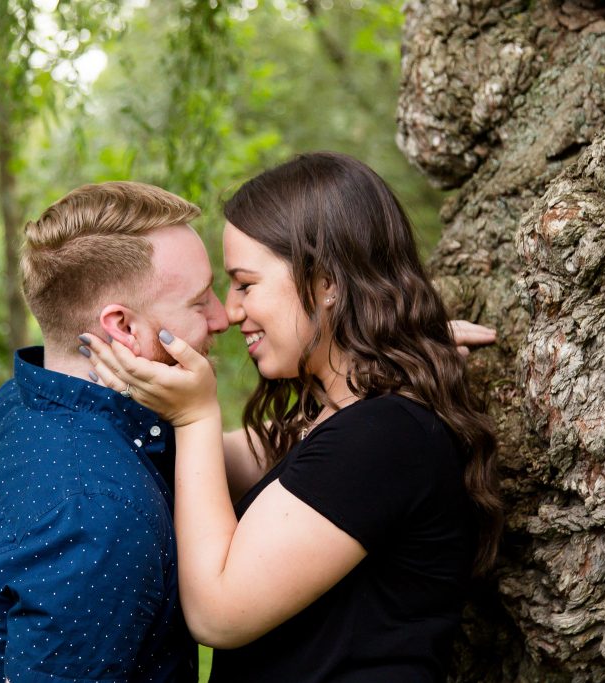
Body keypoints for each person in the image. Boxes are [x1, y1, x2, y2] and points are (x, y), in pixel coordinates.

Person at [82, 152, 504, 682]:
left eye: (245, 283)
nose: (230, 312)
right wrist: (141, 386)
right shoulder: (347, 418)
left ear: (326, 281)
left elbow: (218, 614)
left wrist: (193, 418)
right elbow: (240, 461)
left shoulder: (384, 435)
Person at [0, 181, 229, 682]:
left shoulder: (24, 401)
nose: (224, 316)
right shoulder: (98, 508)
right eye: (201, 301)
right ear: (122, 326)